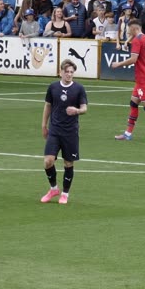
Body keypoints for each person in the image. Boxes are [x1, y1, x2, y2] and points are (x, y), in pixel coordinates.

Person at [40, 59, 88, 205]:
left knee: (68, 163)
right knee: (48, 161)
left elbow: (85, 108)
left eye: (71, 72)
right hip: (54, 130)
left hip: (70, 132)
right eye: (66, 72)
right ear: (61, 72)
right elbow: (48, 105)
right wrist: (44, 125)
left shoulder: (79, 88)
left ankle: (65, 194)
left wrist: (77, 111)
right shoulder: (53, 87)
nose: (69, 74)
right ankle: (53, 189)